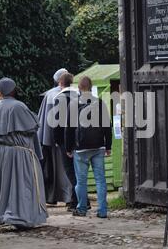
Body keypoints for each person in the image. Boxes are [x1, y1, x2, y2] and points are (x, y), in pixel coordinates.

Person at [0, 78, 47, 229]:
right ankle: (21, 216)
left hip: (5, 153)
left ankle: (5, 213)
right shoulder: (18, 106)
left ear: (0, 91)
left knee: (8, 183)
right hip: (20, 153)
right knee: (23, 183)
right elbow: (33, 126)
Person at [65, 76, 112, 218]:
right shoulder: (99, 103)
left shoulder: (74, 105)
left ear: (78, 88)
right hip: (98, 147)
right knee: (100, 179)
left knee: (81, 181)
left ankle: (82, 209)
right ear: (91, 88)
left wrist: (68, 148)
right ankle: (102, 210)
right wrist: (108, 145)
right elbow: (107, 126)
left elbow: (69, 129)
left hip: (81, 148)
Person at [52, 72, 91, 212]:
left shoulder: (59, 98)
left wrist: (56, 140)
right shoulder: (78, 96)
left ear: (60, 84)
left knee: (70, 172)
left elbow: (56, 122)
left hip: (64, 139)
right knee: (78, 172)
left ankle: (83, 200)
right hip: (79, 138)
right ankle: (76, 201)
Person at [37, 68, 71, 205]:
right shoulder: (74, 93)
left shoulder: (50, 95)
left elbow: (43, 119)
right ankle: (69, 197)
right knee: (66, 169)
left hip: (51, 138)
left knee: (51, 169)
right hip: (68, 139)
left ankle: (51, 197)